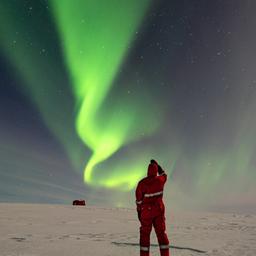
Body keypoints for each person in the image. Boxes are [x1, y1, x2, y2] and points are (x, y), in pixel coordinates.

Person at [135, 159, 169, 256]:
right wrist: (159, 168)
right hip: (159, 211)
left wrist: (139, 211)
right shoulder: (160, 180)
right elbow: (164, 176)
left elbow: (139, 200)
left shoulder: (142, 183)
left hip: (146, 213)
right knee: (161, 234)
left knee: (145, 235)